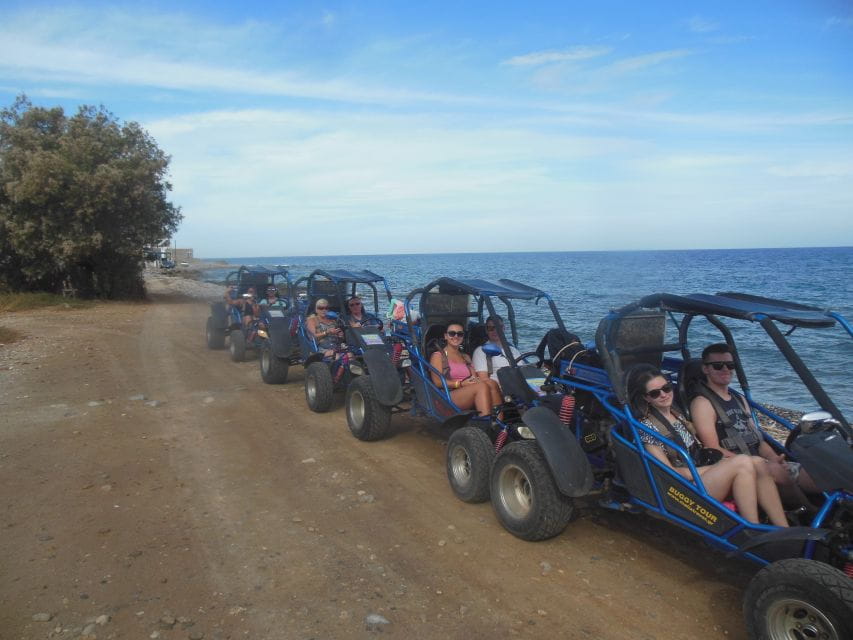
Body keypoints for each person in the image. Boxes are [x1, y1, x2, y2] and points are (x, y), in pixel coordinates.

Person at [631, 368, 788, 527]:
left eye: (666, 388)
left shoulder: (678, 415)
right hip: (681, 491)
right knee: (742, 462)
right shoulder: (647, 428)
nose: (664, 395)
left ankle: (783, 527)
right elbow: (671, 474)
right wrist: (716, 467)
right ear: (647, 398)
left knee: (757, 462)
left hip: (699, 475)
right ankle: (753, 527)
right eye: (655, 393)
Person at [690, 343, 819, 506]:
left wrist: (774, 458)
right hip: (733, 464)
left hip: (759, 459)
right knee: (778, 473)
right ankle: (809, 514)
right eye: (717, 366)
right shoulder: (702, 403)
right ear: (705, 369)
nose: (725, 369)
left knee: (817, 474)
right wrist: (760, 463)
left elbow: (758, 440)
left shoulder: (739, 399)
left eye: (730, 365)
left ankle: (836, 509)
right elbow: (713, 448)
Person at [429, 323, 502, 417]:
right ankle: (485, 423)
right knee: (481, 387)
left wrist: (477, 380)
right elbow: (438, 382)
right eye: (452, 333)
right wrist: (460, 384)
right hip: (447, 395)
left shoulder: (465, 357)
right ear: (445, 336)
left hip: (467, 391)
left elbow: (474, 377)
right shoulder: (438, 356)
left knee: (491, 383)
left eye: (460, 334)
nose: (456, 336)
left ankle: (499, 425)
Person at [472, 315, 521, 383]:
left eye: (498, 328)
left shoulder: (513, 350)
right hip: (497, 388)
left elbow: (522, 372)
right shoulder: (480, 351)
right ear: (486, 330)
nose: (495, 331)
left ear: (503, 328)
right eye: (491, 328)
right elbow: (483, 380)